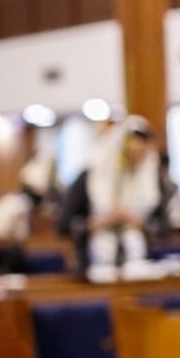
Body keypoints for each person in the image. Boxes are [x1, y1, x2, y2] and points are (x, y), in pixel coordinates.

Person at [58, 116, 160, 275]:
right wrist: (101, 222)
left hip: (140, 264)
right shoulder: (90, 178)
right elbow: (64, 225)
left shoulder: (153, 180)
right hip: (94, 266)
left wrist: (136, 221)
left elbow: (164, 226)